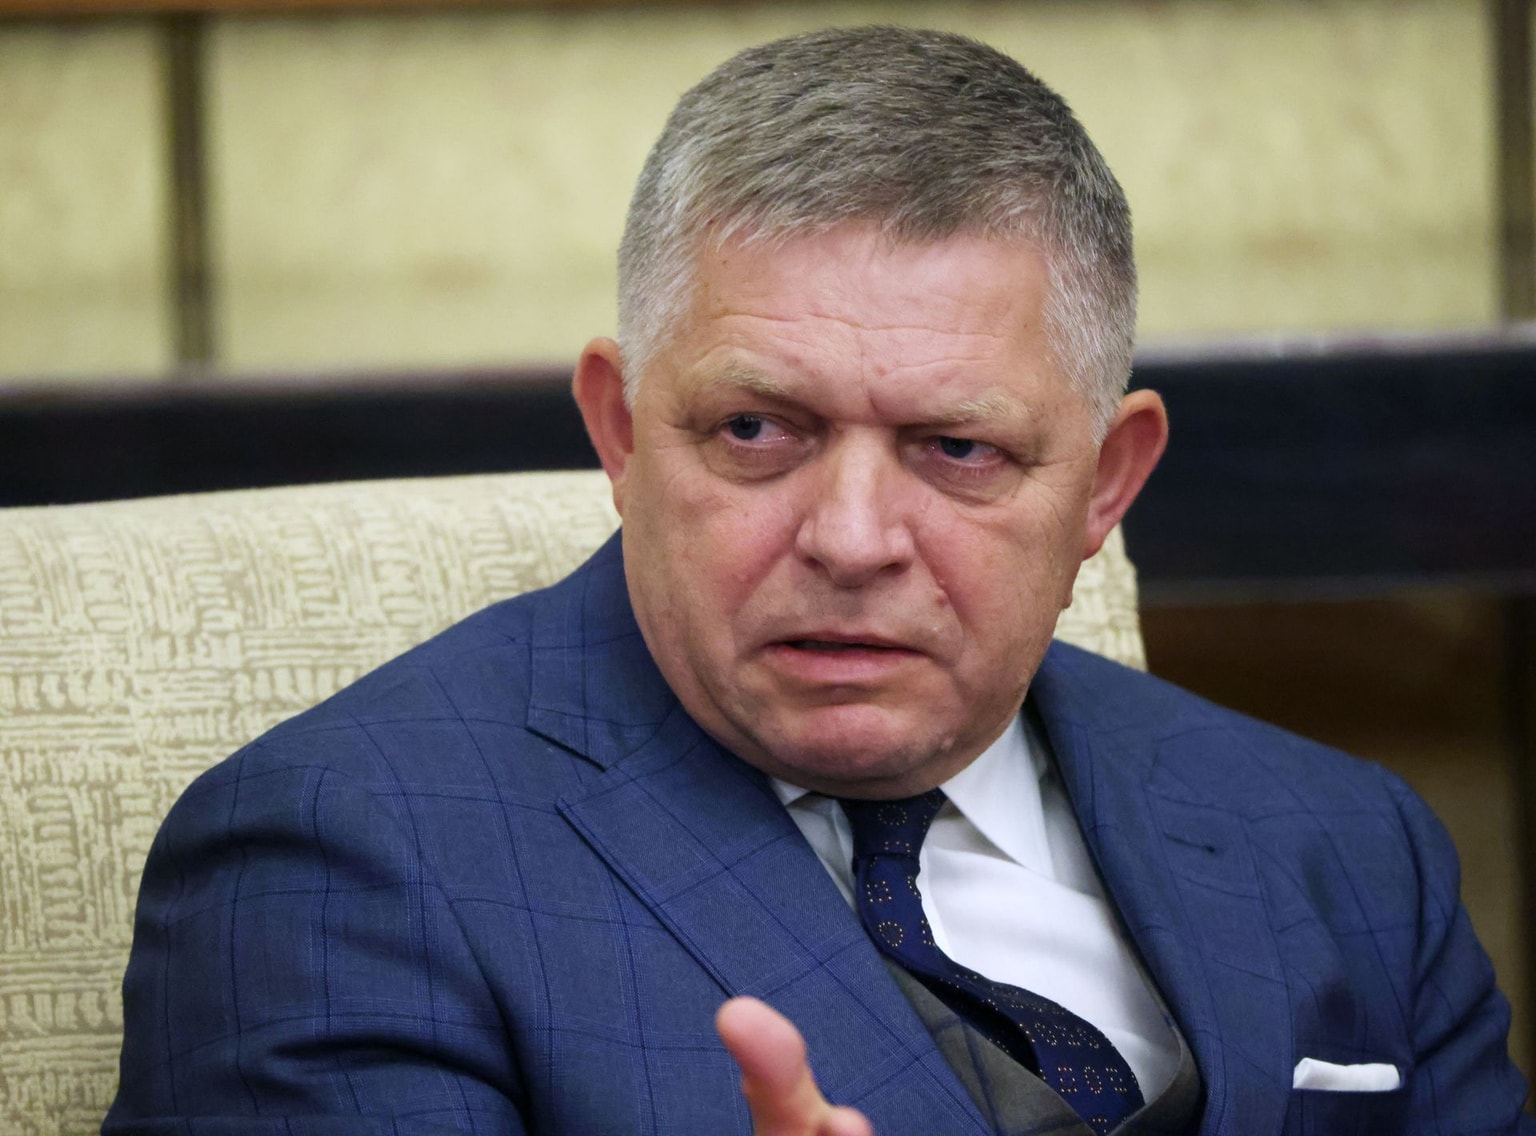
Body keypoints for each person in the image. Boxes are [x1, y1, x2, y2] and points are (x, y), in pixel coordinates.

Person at [104, 25, 1531, 1136]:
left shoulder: (1342, 844)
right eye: (756, 431)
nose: (852, 539)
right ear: (620, 431)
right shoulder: (337, 867)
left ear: (1105, 484)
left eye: (958, 448)